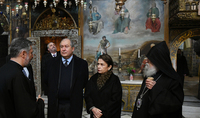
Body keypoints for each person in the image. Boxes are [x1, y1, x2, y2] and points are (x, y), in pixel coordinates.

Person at [132, 41, 184, 118]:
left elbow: (175, 104)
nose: (147, 62)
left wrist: (155, 88)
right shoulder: (149, 74)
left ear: (159, 62)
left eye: (150, 61)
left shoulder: (173, 79)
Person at [0, 37, 44, 118]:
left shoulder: (2, 69)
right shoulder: (18, 75)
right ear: (23, 54)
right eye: (31, 53)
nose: (32, 56)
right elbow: (27, 112)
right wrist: (40, 102)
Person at [45, 38, 89, 118]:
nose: (63, 49)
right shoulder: (51, 63)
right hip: (56, 104)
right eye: (61, 47)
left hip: (73, 104)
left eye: (66, 46)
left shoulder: (82, 64)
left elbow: (84, 82)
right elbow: (46, 81)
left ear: (72, 48)